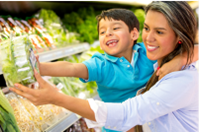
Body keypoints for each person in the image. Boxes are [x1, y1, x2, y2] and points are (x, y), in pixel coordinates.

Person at [10, 2, 198, 132]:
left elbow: (128, 113)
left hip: (128, 118)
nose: (148, 37)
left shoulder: (164, 68)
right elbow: (73, 67)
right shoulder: (103, 63)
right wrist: (38, 68)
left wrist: (57, 99)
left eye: (160, 31)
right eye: (147, 28)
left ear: (133, 34)